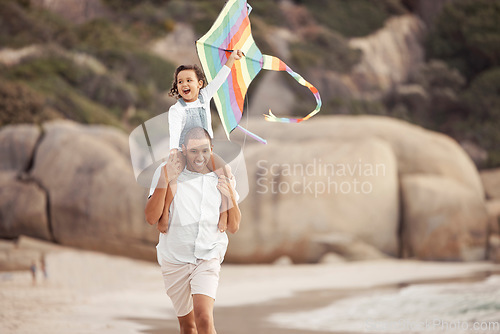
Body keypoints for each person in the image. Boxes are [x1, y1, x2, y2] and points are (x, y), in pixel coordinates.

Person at [146, 127, 241, 334]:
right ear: (183, 150)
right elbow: (151, 218)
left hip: (208, 256)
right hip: (174, 258)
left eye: (205, 151)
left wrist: (231, 196)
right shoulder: (167, 171)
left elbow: (234, 227)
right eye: (193, 151)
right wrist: (164, 179)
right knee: (188, 327)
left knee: (204, 319)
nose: (200, 157)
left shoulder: (222, 176)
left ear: (212, 149)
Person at [147, 50, 243, 234]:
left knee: (226, 173)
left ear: (199, 84)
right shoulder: (177, 109)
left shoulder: (205, 97)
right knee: (172, 177)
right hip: (185, 151)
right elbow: (174, 130)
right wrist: (174, 150)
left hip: (206, 151)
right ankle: (166, 212)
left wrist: (231, 60)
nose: (184, 84)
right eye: (180, 81)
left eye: (189, 80)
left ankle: (223, 214)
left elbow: (220, 80)